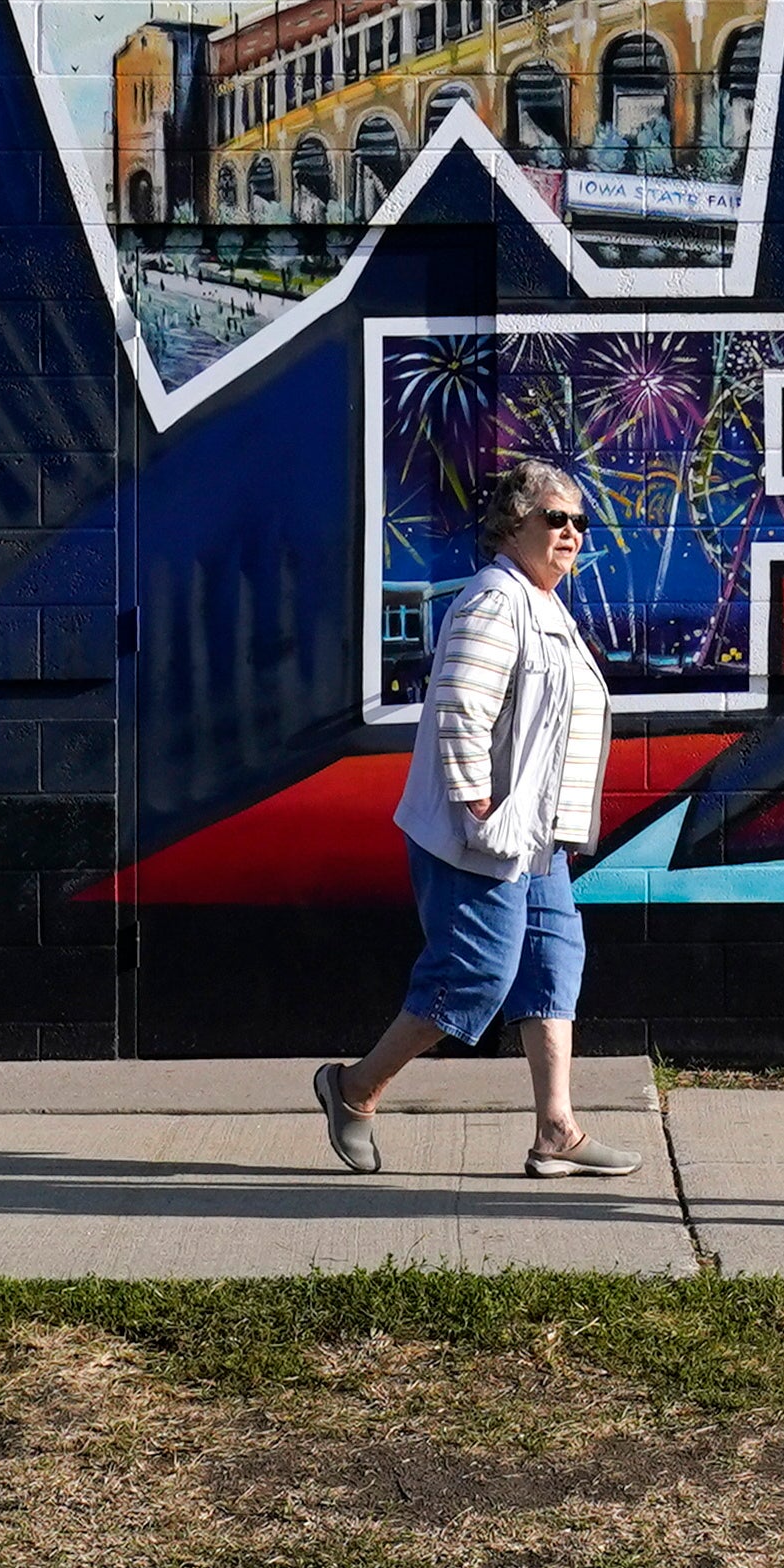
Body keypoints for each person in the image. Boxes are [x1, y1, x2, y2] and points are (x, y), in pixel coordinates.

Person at [319, 452, 640, 1179]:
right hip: (483, 834)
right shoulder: (497, 598)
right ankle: (354, 1087)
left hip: (538, 838)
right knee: (473, 979)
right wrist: (475, 799)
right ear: (510, 525)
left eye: (580, 522)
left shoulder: (544, 604)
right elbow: (461, 704)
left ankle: (556, 1129)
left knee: (553, 965)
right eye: (554, 519)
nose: (571, 534)